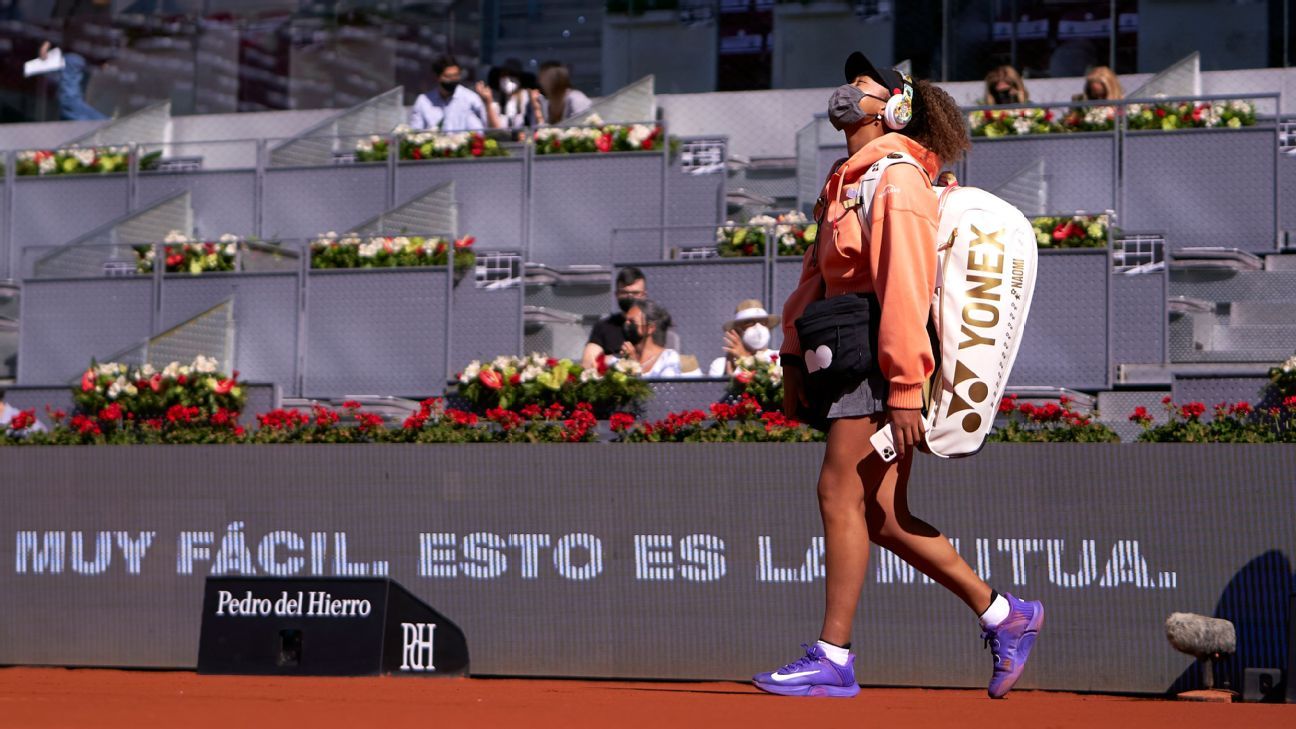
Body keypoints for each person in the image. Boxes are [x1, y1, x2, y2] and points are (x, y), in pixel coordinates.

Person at [753, 52, 1043, 700]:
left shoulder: (898, 182)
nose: (848, 90)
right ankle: (1007, 614)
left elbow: (908, 291)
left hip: (880, 360)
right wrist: (793, 357)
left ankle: (833, 654)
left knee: (837, 492)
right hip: (849, 353)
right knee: (881, 514)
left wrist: (908, 389)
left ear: (894, 107)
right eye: (851, 78)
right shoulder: (844, 180)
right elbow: (813, 279)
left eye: (863, 84)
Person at [409, 55, 500, 132]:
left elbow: (493, 130)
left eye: (456, 75)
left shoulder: (471, 99)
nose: (453, 80)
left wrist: (488, 102)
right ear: (437, 77)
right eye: (448, 76)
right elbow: (415, 134)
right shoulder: (424, 102)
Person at [582, 267, 647, 369]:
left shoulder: (653, 326)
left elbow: (659, 361)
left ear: (644, 295)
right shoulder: (604, 326)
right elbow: (588, 363)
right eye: (624, 293)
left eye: (635, 293)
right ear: (616, 295)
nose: (629, 297)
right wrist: (616, 360)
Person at [613, 299, 688, 378]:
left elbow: (667, 388)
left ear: (650, 328)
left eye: (632, 321)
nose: (626, 324)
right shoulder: (619, 359)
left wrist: (632, 365)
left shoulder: (668, 359)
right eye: (625, 320)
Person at [707, 299, 779, 376]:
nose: (758, 327)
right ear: (737, 330)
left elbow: (767, 385)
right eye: (749, 323)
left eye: (763, 322)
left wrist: (744, 358)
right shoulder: (720, 365)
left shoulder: (782, 358)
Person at [486, 58, 535, 130]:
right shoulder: (492, 97)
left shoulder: (527, 96)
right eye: (504, 75)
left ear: (519, 78)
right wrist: (488, 102)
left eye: (513, 75)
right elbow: (494, 128)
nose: (507, 78)